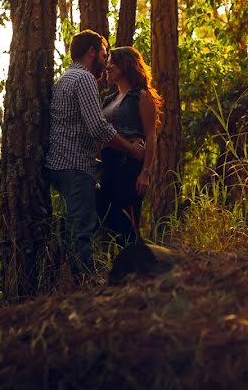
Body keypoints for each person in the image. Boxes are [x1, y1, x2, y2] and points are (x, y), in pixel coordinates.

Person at [44, 30, 144, 280]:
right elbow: (98, 127)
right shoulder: (84, 79)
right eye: (102, 53)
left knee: (73, 226)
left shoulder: (64, 78)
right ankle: (88, 282)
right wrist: (132, 149)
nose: (105, 59)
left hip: (61, 163)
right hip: (75, 165)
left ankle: (70, 280)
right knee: (81, 230)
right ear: (91, 52)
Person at [98, 46, 161, 247]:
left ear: (126, 65)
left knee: (127, 224)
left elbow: (151, 135)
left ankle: (142, 273)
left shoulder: (141, 96)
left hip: (129, 166)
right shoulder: (109, 100)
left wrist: (146, 172)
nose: (107, 66)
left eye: (112, 63)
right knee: (108, 221)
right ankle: (127, 271)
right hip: (107, 166)